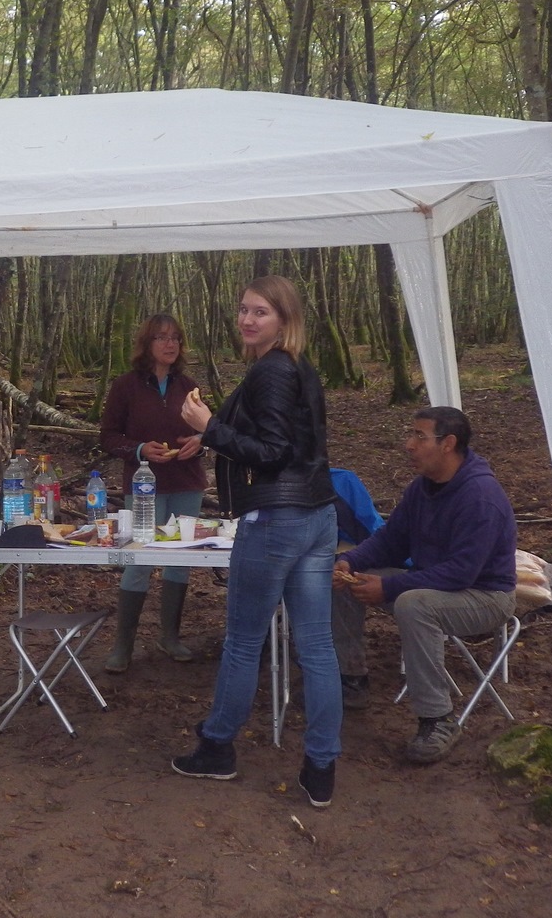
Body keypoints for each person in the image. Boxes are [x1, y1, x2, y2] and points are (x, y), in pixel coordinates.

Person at [170, 275, 342, 808]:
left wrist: (210, 426)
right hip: (318, 514)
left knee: (244, 641)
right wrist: (209, 434)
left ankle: (217, 746)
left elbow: (271, 452)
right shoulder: (297, 367)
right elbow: (287, 441)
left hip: (276, 520)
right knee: (317, 645)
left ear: (284, 319)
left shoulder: (272, 370)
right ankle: (321, 767)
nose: (247, 319)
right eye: (243, 309)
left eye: (260, 312)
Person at [332, 406, 517, 765]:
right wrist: (350, 562)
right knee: (343, 580)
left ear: (448, 444)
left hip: (486, 596)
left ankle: (438, 718)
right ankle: (350, 678)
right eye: (411, 434)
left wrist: (389, 587)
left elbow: (461, 573)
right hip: (434, 586)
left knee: (413, 604)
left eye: (419, 436)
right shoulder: (422, 489)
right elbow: (391, 540)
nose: (409, 444)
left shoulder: (480, 496)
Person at [98, 314, 208, 672]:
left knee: (180, 559)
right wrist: (140, 449)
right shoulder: (125, 386)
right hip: (144, 486)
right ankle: (123, 646)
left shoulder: (188, 386)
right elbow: (108, 436)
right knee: (139, 559)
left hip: (186, 482)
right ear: (147, 344)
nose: (170, 344)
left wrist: (199, 442)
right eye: (162, 337)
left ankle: (169, 637)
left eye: (175, 337)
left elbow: (206, 431)